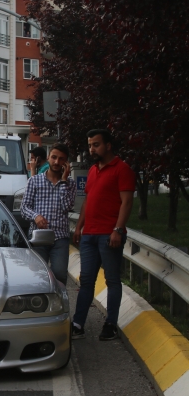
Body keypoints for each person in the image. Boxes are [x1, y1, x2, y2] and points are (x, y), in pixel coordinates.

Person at [72, 129, 135, 341]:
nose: (92, 149)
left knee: (112, 280)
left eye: (96, 144)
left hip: (109, 235)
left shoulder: (122, 169)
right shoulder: (92, 170)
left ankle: (110, 324)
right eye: (90, 145)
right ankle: (78, 323)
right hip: (89, 234)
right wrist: (79, 226)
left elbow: (127, 202)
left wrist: (118, 229)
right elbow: (88, 201)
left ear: (108, 145)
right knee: (87, 280)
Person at [21, 143, 76, 285]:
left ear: (66, 163)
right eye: (54, 157)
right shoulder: (34, 180)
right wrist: (36, 216)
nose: (57, 162)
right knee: (37, 276)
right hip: (38, 236)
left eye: (61, 159)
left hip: (60, 237)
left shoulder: (70, 184)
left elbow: (67, 207)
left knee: (59, 274)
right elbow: (24, 208)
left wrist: (64, 181)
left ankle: (60, 304)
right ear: (48, 158)